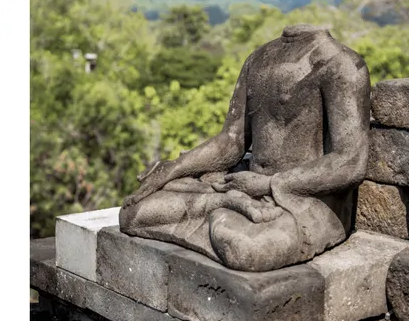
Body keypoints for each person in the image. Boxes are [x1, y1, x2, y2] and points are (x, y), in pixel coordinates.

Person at [119, 25, 370, 272]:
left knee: (244, 249)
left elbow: (350, 161)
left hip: (303, 200)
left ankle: (222, 209)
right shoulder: (260, 59)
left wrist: (268, 184)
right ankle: (225, 204)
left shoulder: (341, 63)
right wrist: (173, 168)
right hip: (242, 187)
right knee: (134, 213)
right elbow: (231, 140)